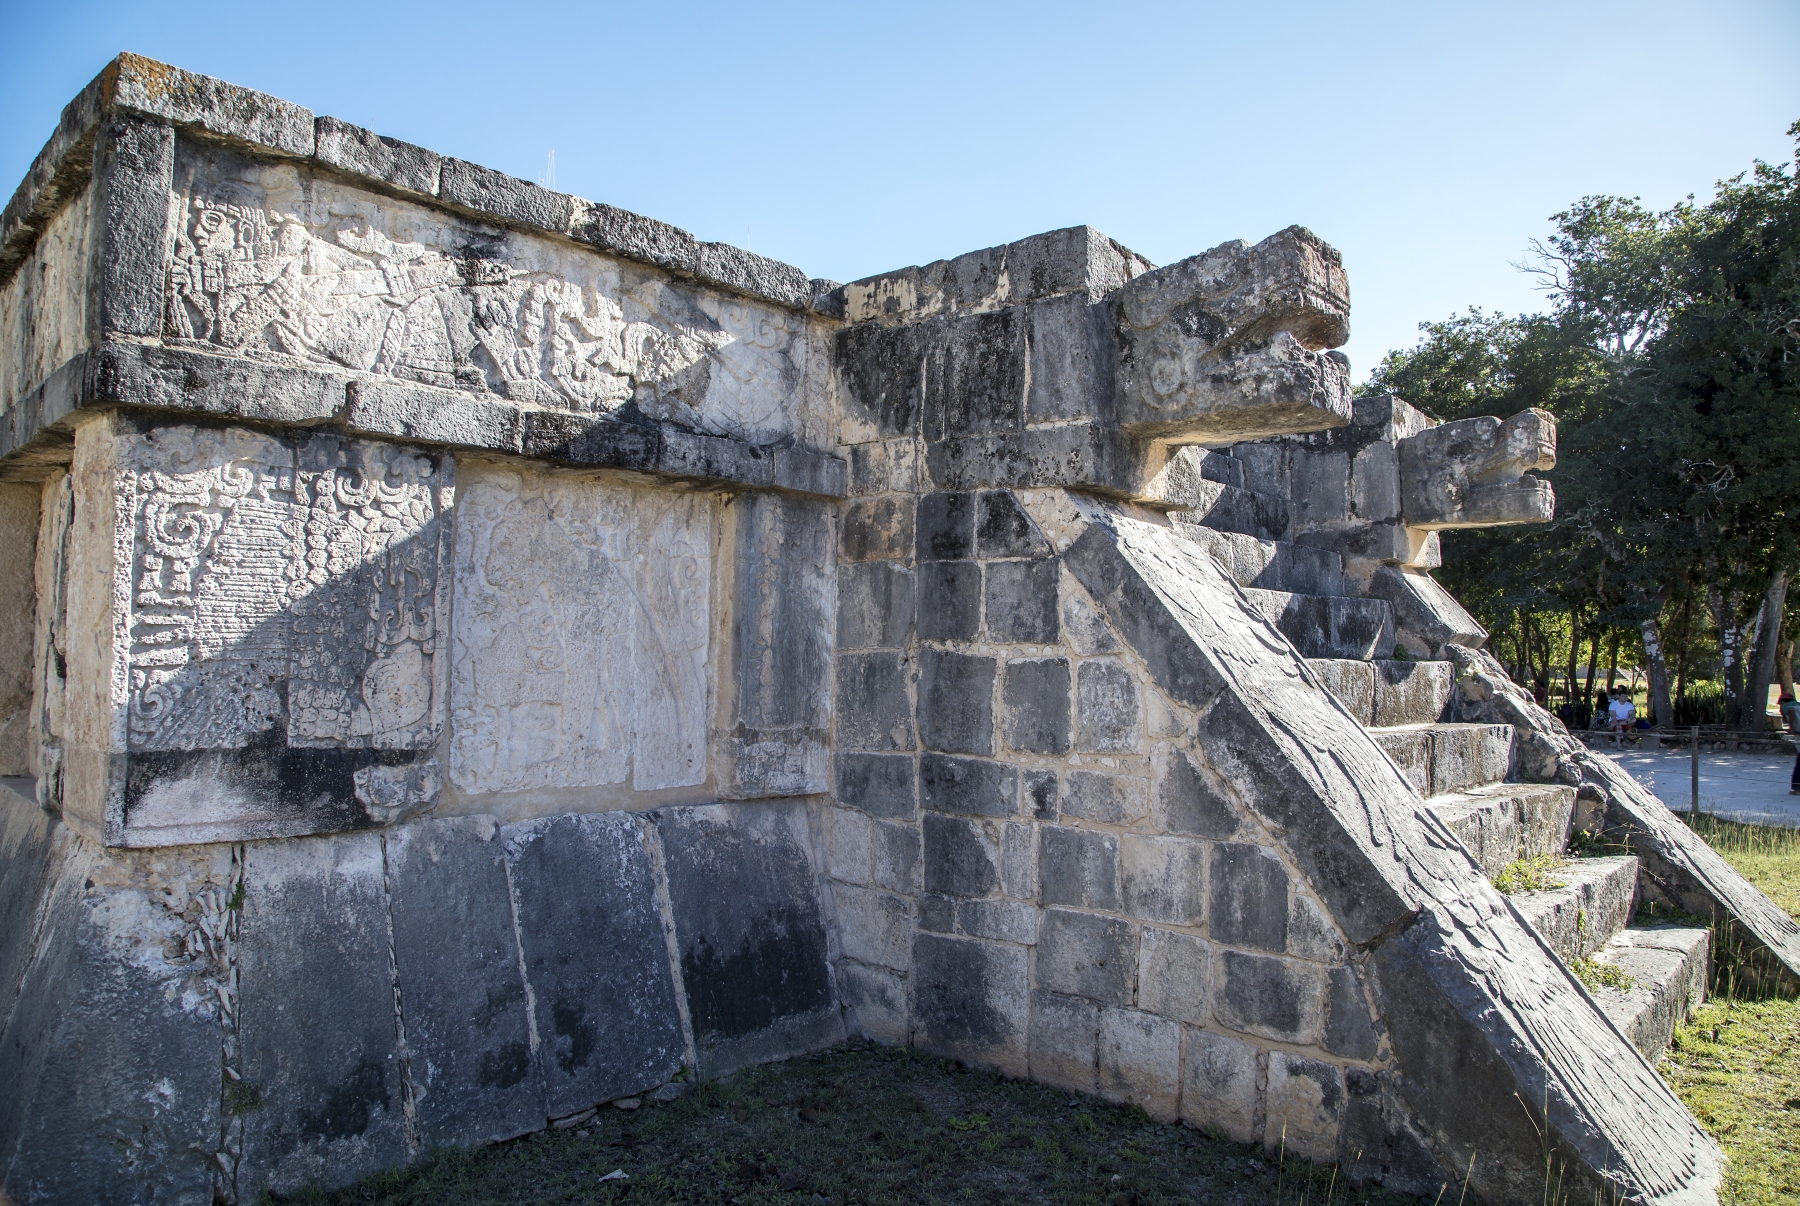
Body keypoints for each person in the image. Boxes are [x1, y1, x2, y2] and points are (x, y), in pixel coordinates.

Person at [1781, 690, 1800, 795]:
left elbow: (1791, 710)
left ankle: (1797, 787)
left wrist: (1791, 727)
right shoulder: (1798, 705)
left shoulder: (1787, 706)